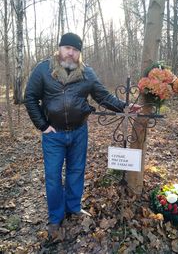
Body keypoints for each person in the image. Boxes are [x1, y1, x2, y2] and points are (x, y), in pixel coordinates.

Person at [24, 32, 128, 237]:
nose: (71, 53)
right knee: (53, 177)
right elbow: (30, 98)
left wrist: (125, 107)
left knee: (76, 171)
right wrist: (43, 126)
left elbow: (103, 96)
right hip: (53, 135)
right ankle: (55, 217)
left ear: (79, 53)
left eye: (75, 50)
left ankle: (73, 207)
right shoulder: (43, 69)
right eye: (67, 48)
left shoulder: (87, 72)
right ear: (60, 48)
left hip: (79, 132)